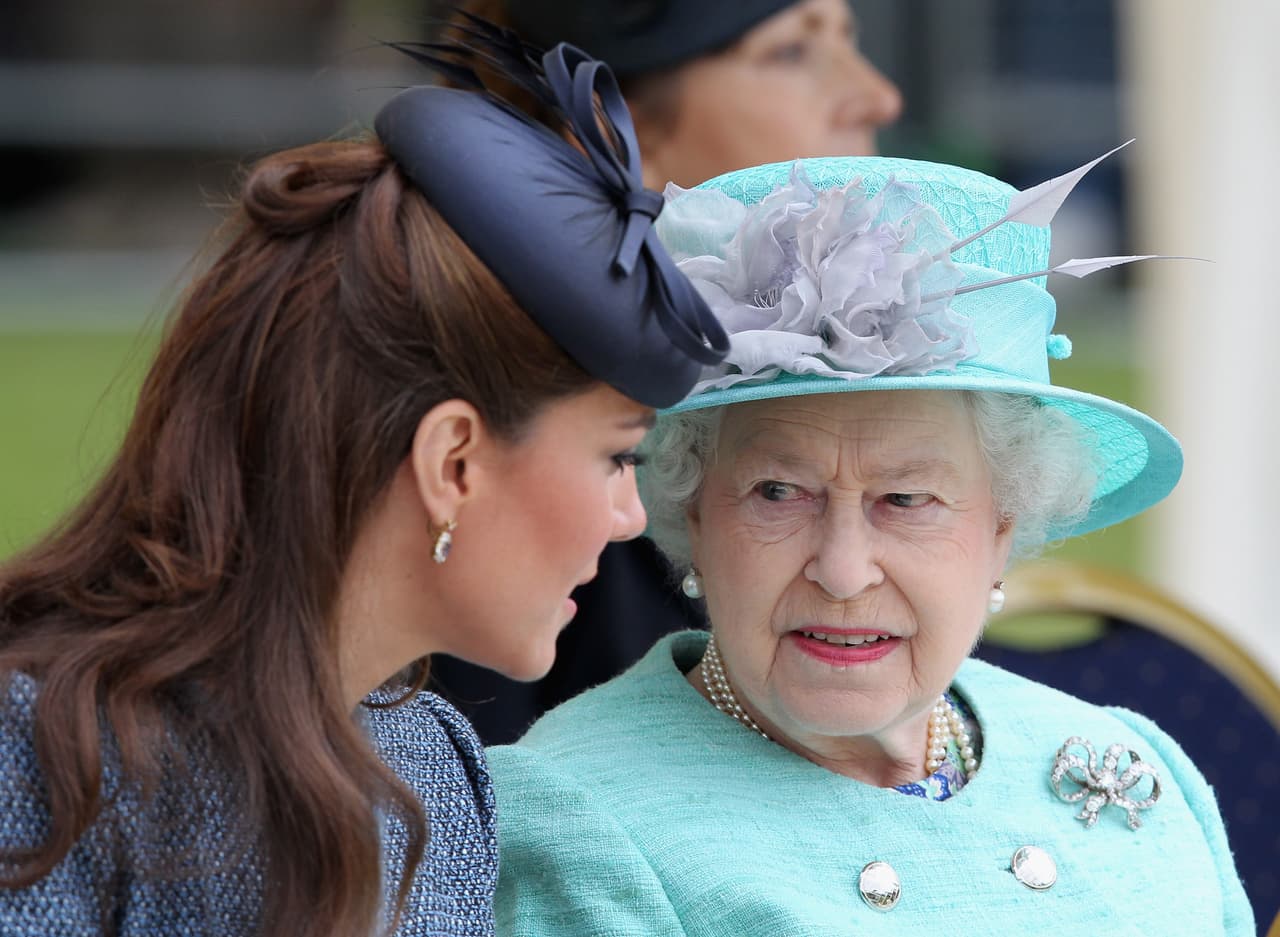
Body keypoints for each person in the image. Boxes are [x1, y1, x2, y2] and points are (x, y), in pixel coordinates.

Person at [0, 38, 726, 937]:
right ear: (451, 462)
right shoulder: (39, 754)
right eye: (618, 456)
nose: (628, 517)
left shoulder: (435, 768)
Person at [487, 153, 1255, 934]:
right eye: (779, 492)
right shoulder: (579, 818)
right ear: (694, 516)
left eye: (906, 499)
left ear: (1002, 526)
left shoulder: (1132, 762)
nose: (845, 571)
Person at [433, 0, 904, 745]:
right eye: (790, 50)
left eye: (849, 38)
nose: (880, 96)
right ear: (617, 123)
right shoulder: (514, 454)